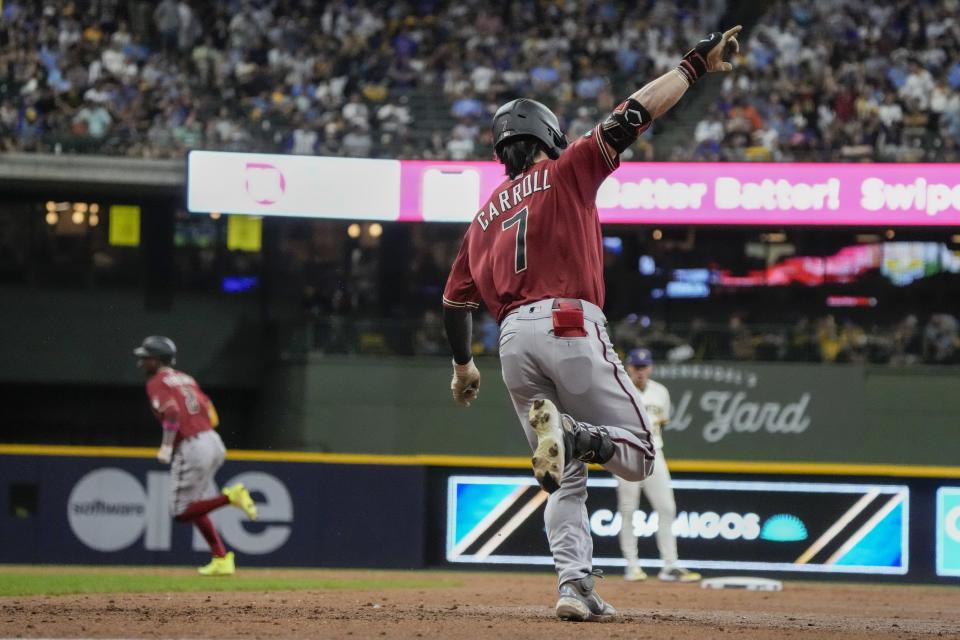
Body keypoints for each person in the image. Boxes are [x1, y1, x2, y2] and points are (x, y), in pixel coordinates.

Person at [442, 27, 742, 622]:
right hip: (569, 322)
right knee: (637, 455)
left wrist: (462, 365)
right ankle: (579, 436)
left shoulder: (479, 221)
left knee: (562, 482)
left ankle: (573, 586)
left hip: (509, 346)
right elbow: (634, 113)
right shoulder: (568, 168)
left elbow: (454, 304)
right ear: (545, 137)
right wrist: (695, 65)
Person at [133, 336, 258, 576]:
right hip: (212, 440)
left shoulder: (157, 381)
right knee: (196, 505)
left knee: (180, 511)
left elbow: (171, 412)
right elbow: (212, 414)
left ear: (157, 360)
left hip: (192, 445)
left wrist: (167, 446)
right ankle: (221, 558)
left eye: (145, 358)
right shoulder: (187, 379)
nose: (142, 362)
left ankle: (231, 498)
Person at [616, 348, 701, 583]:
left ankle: (670, 565)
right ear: (628, 367)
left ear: (651, 367)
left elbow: (661, 424)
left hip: (654, 453)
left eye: (644, 366)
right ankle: (632, 566)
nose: (640, 371)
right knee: (628, 511)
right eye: (635, 366)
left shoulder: (660, 392)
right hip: (627, 455)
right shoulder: (619, 389)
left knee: (666, 508)